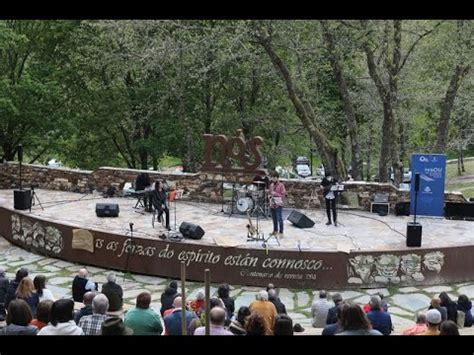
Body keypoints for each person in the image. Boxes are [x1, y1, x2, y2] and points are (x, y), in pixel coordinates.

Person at [269, 172, 286, 237]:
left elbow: (283, 195)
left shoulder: (281, 185)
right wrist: (269, 195)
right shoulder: (271, 185)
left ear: (277, 178)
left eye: (275, 177)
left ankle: (281, 232)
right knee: (274, 218)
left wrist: (275, 194)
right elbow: (270, 193)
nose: (273, 179)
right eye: (272, 178)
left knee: (279, 218)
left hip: (278, 204)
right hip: (272, 203)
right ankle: (275, 231)